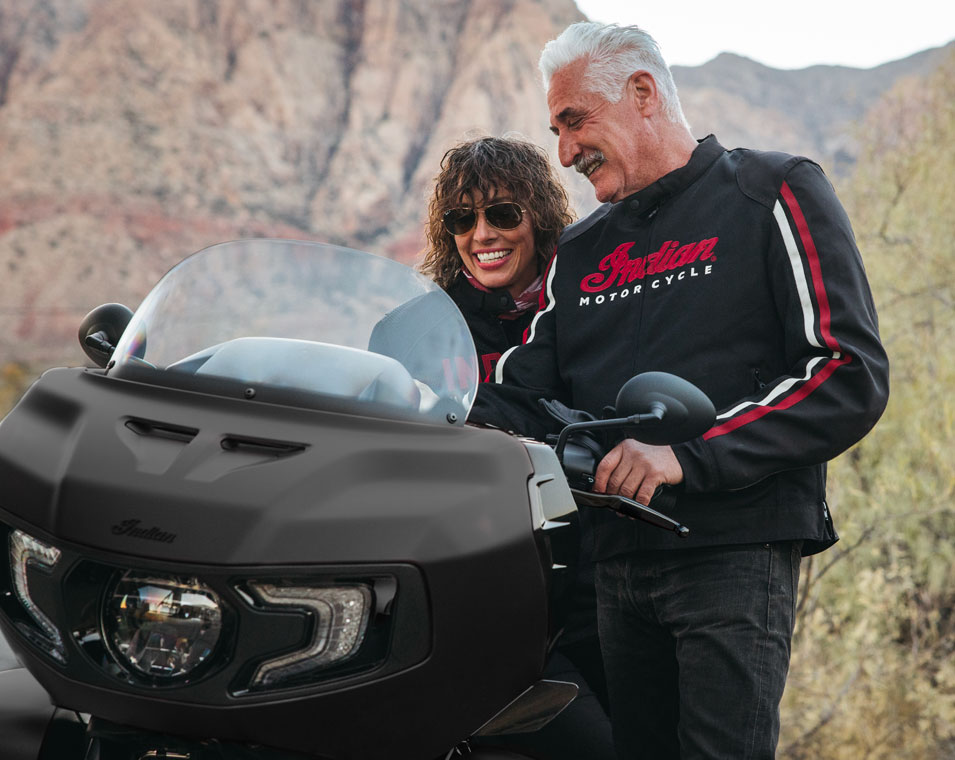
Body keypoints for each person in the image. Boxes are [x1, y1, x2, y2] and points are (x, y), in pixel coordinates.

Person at [468, 22, 890, 760]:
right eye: (556, 130)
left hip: (732, 550)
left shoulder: (772, 190)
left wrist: (687, 455)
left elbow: (845, 371)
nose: (564, 152)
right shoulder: (580, 250)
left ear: (642, 93)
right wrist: (408, 404)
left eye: (574, 121)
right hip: (614, 561)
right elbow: (522, 392)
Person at [421, 136, 615, 760]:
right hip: (473, 590)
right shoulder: (418, 327)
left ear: (540, 217)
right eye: (462, 219)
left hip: (594, 582)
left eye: (502, 214)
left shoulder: (593, 309)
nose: (482, 234)